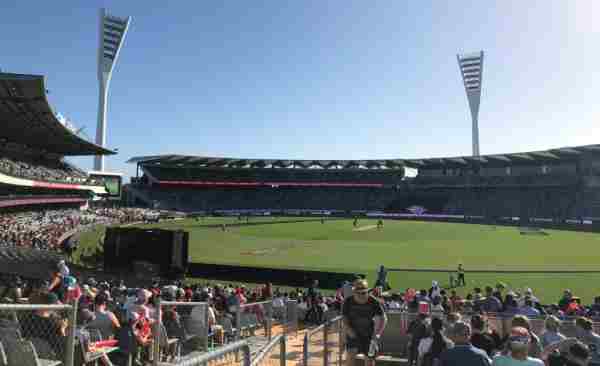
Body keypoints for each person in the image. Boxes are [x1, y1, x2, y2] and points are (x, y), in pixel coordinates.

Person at [342, 279, 387, 366]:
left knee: (370, 360)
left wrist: (378, 333)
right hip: (353, 334)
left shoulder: (373, 301)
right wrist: (348, 329)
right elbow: (344, 317)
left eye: (363, 293)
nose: (361, 295)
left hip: (369, 335)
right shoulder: (348, 301)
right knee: (350, 359)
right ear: (354, 292)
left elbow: (384, 318)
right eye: (358, 293)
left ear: (367, 292)